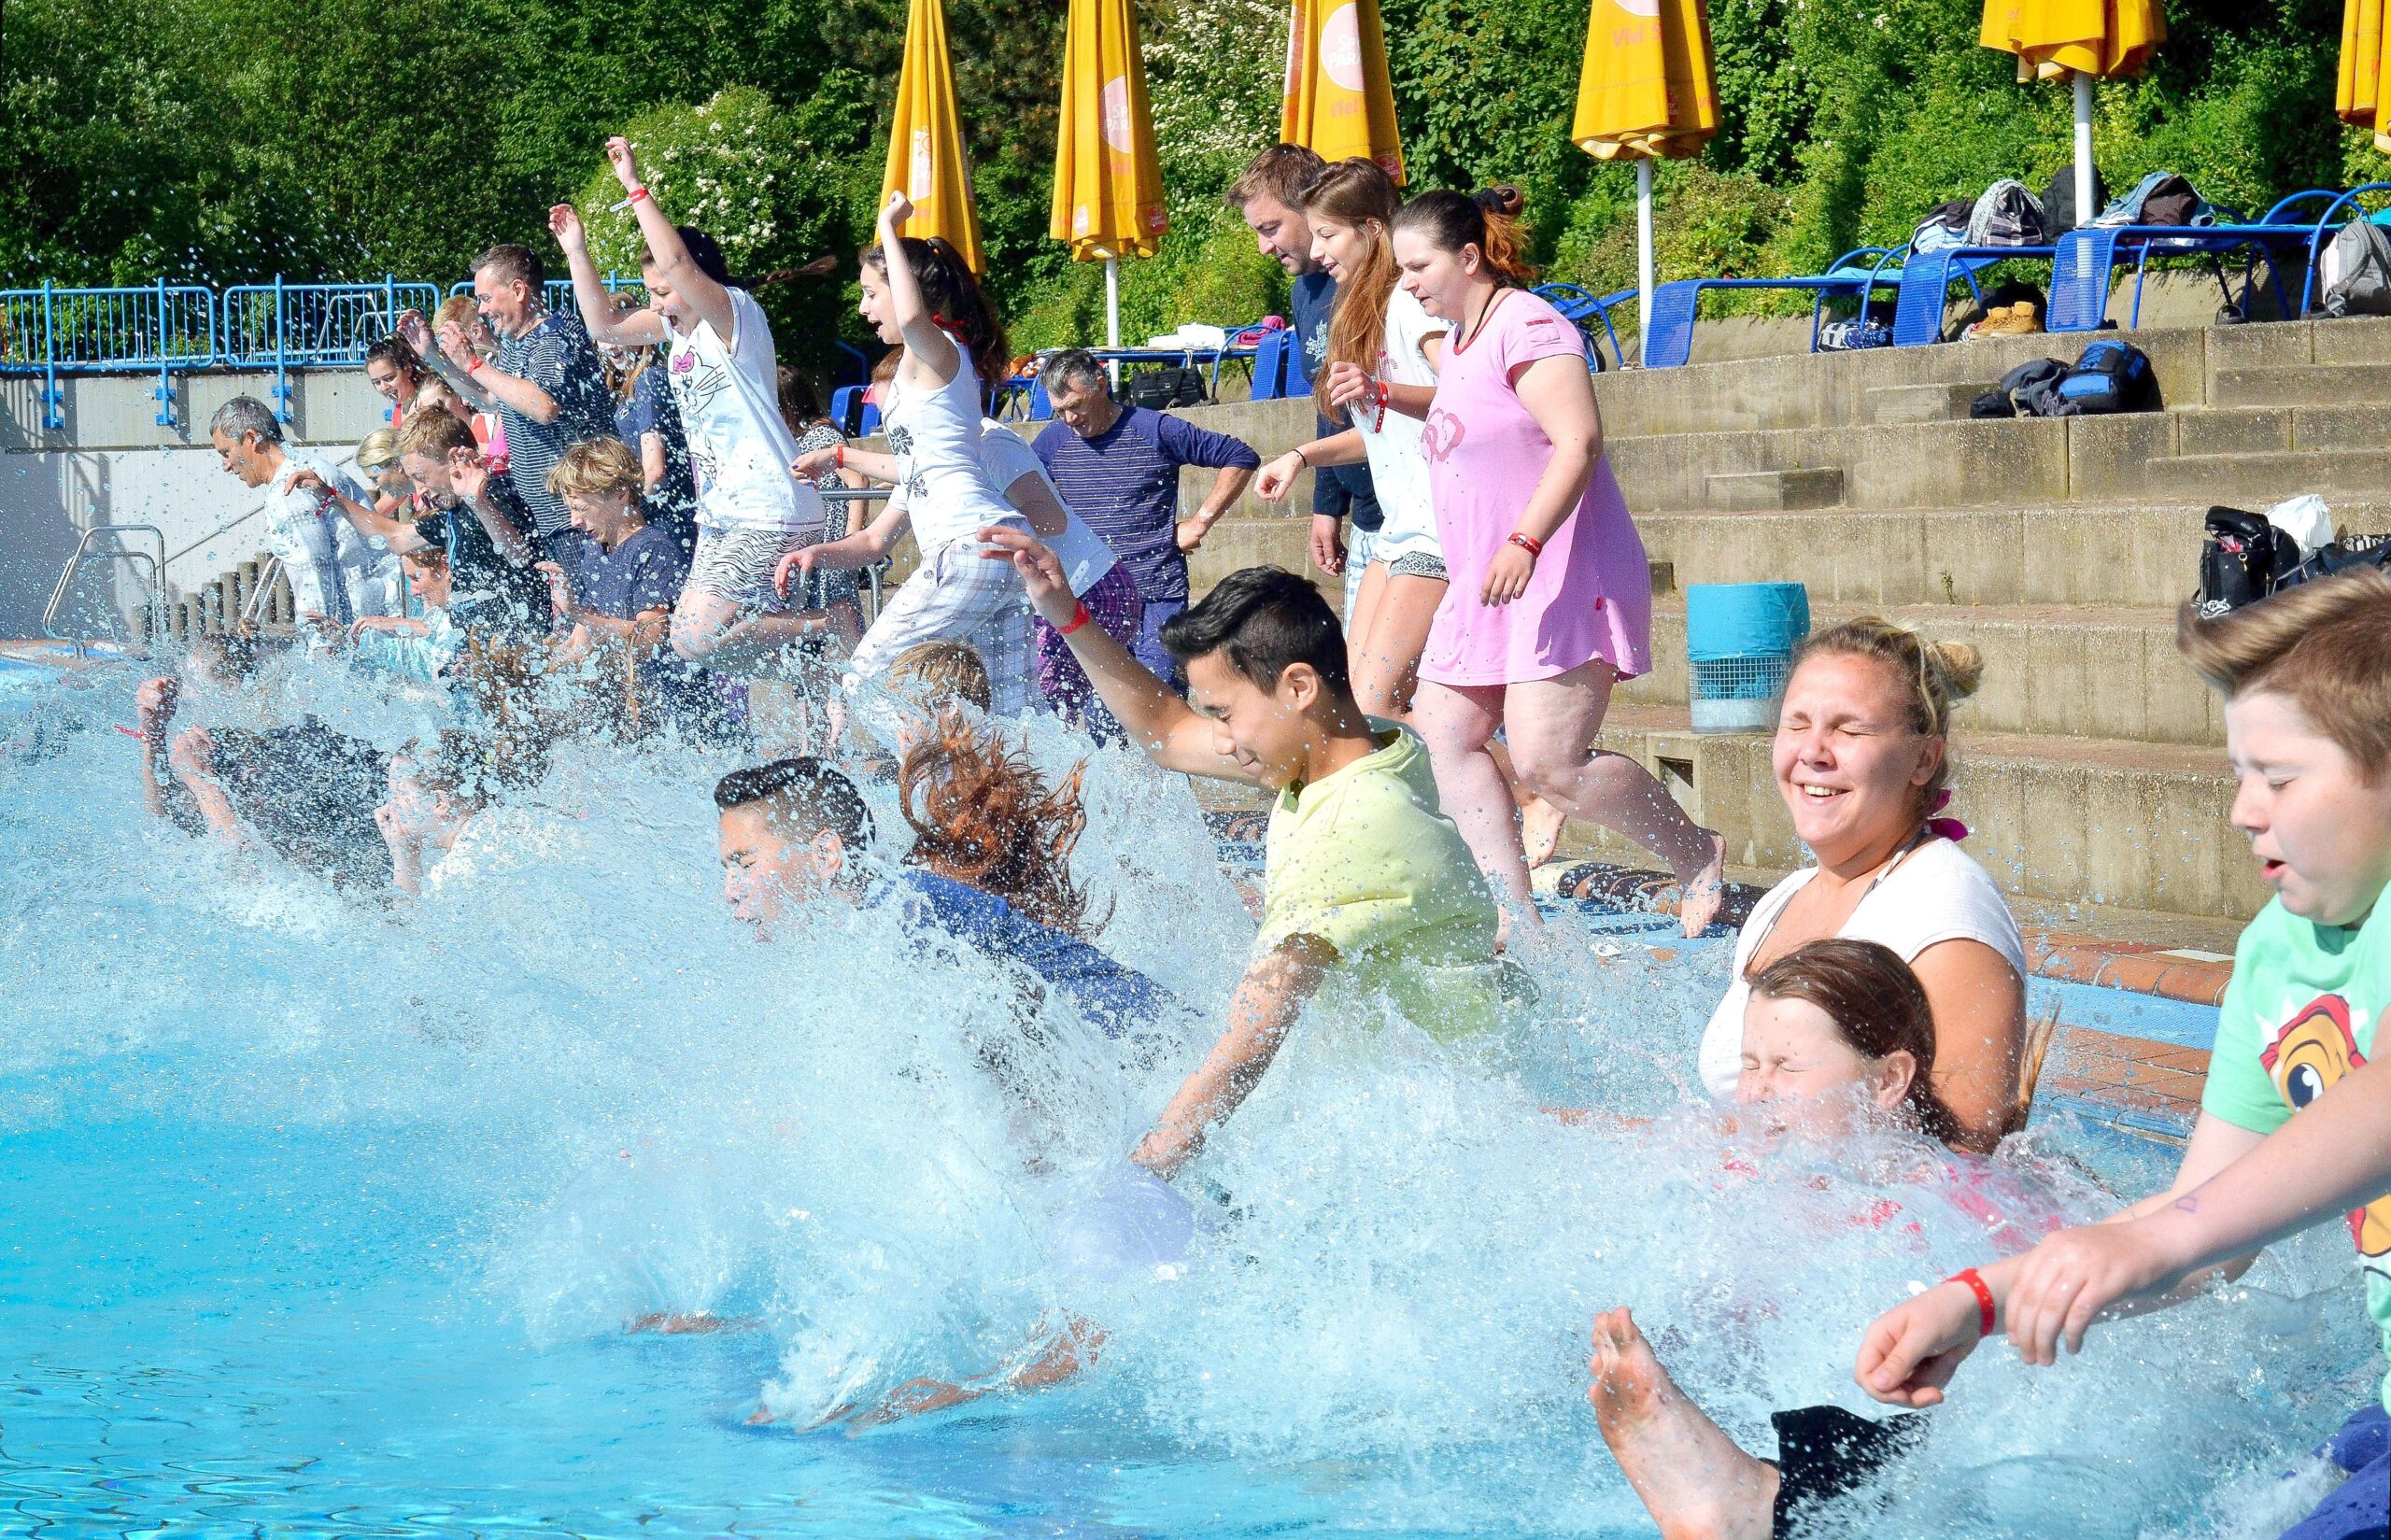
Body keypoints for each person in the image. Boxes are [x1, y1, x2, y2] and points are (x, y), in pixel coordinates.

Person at [1854, 571, 2391, 1540]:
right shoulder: (2276, 955)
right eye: (2238, 774)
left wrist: (2157, 1239)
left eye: (2277, 777)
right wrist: (1988, 1294)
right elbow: (2204, 1228)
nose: (2241, 809)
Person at [979, 540, 1509, 1178]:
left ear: (1298, 686)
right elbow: (1168, 733)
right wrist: (1066, 614)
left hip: (1475, 1116)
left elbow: (1252, 1032)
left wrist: (1146, 1167)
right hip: (1452, 1077)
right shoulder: (1358, 746)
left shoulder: (1351, 824)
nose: (1222, 739)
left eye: (1225, 714)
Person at [1589, 937, 2060, 1540]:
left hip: (1922, 1449)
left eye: (1786, 1067)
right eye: (1750, 1064)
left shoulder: (1958, 1201)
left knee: (1926, 1453)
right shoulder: (1741, 1177)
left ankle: (1753, 1500)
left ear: (1889, 1079)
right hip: (1763, 1405)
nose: (1757, 1091)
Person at [1388, 189, 1725, 938]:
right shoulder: (1462, 340)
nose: (1406, 283)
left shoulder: (1529, 325)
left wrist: (1525, 540)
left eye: (1417, 266)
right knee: (1441, 731)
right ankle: (1514, 910)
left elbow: (1578, 441)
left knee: (1548, 765)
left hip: (1557, 570)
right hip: (1488, 582)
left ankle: (1696, 851)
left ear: (1468, 258)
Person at [1695, 619, 2028, 1154]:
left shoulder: (1945, 910)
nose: (1814, 752)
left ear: (1924, 759)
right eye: (1796, 725)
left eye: (1849, 731)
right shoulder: (1783, 901)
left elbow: (1966, 1160)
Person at [549, 140, 828, 671]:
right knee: (692, 647)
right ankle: (821, 664)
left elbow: (677, 263)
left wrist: (634, 187)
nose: (656, 304)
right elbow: (603, 326)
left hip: (768, 506)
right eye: (650, 292)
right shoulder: (677, 332)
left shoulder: (733, 317)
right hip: (725, 513)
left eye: (662, 291)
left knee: (695, 639)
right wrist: (576, 253)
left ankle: (830, 625)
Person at [777, 192, 1034, 714]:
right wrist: (818, 541)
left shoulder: (935, 346)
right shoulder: (930, 374)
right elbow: (884, 524)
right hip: (997, 551)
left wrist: (886, 229)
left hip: (969, 549)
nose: (863, 308)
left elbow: (913, 313)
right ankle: (1026, 793)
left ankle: (928, 786)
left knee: (864, 683)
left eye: (872, 293)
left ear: (905, 290)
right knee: (1014, 716)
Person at [714, 751, 1177, 1039]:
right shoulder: (869, 921)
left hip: (1161, 1055)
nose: (731, 893)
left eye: (746, 863)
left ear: (824, 852)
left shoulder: (903, 918)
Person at [806, 412, 1140, 731]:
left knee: (1044, 714)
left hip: (1088, 588)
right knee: (1017, 714)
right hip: (1047, 592)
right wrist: (811, 554)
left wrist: (979, 532)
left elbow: (1052, 519)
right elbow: (874, 541)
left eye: (899, 409)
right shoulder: (932, 464)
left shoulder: (988, 442)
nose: (894, 425)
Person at [1029, 348, 1259, 691]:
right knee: (1102, 718)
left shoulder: (1153, 429)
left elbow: (1240, 456)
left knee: (1159, 701)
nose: (1070, 419)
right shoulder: (1052, 442)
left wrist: (1200, 521)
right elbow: (1021, 496)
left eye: (1076, 405)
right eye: (1060, 411)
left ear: (1101, 384)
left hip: (1156, 595)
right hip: (1092, 599)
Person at [1226, 143, 1381, 614]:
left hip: (1411, 507)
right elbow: (1328, 405)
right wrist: (1326, 506)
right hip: (1364, 512)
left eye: (1271, 228)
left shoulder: (1376, 283)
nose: (1263, 247)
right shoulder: (1305, 291)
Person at [403, 243, 615, 574]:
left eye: (486, 298)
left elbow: (543, 405)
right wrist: (434, 357)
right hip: (551, 517)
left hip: (581, 516)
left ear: (518, 289)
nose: (483, 310)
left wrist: (472, 363)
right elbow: (490, 398)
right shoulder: (518, 343)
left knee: (595, 616)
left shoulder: (554, 335)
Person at [141, 637, 397, 895]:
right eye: (182, 683)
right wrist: (153, 737)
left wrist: (202, 783)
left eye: (193, 686)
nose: (179, 697)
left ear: (233, 687)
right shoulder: (224, 750)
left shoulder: (304, 752)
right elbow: (166, 824)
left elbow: (258, 883)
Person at [540, 436, 730, 740]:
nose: (574, 520)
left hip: (681, 720)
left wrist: (577, 611)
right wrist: (530, 669)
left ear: (620, 495)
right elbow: (580, 643)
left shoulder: (653, 549)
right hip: (635, 717)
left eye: (581, 508)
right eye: (570, 510)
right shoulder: (595, 550)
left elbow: (650, 638)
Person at [316, 407, 551, 637]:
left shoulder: (496, 496)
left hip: (514, 650)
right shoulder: (455, 510)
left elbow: (521, 557)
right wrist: (331, 496)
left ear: (455, 459)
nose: (420, 490)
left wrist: (478, 502)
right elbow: (397, 539)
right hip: (476, 649)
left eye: (422, 477)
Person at [206, 396, 398, 631]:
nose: (226, 465)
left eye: (226, 452)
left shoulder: (288, 488)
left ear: (251, 438)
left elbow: (314, 570)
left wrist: (322, 644)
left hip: (360, 627)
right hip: (381, 610)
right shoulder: (309, 467)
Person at [775, 366, 868, 650]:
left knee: (841, 619)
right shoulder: (800, 438)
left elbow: (858, 480)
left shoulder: (822, 436)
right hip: (815, 545)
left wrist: (850, 536)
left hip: (831, 543)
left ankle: (864, 678)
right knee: (811, 628)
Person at [601, 291, 699, 555]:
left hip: (665, 515)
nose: (610, 347)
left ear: (639, 334)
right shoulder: (627, 386)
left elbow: (654, 469)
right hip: (660, 511)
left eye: (617, 337)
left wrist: (628, 515)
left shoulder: (649, 381)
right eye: (604, 338)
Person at [364, 334, 428, 431]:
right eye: (377, 382)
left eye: (389, 378)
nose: (384, 387)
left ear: (408, 369)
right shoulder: (398, 412)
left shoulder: (429, 402)